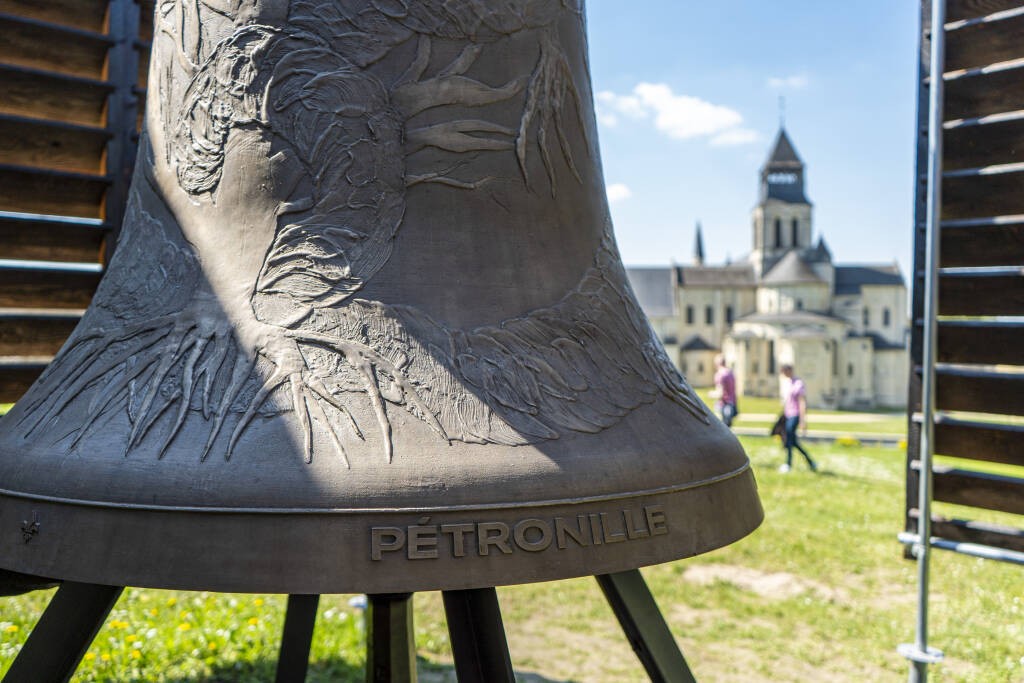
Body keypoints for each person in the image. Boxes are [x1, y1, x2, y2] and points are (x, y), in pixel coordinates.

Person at [779, 364, 817, 472]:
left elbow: (802, 402)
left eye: (785, 371)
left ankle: (788, 464)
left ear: (790, 370)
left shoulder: (798, 384)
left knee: (789, 440)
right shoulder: (788, 383)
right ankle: (811, 462)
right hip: (788, 415)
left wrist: (802, 420)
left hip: (795, 415)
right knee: (793, 441)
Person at [713, 355, 738, 427]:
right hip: (731, 405)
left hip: (723, 405)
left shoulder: (720, 375)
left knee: (719, 430)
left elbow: (720, 394)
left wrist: (711, 394)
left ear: (717, 364)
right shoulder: (731, 373)